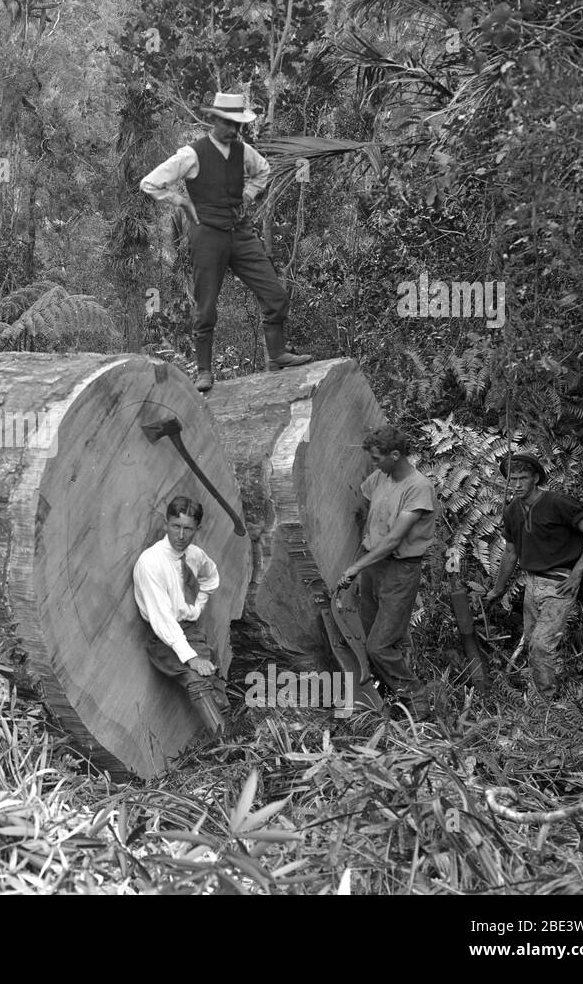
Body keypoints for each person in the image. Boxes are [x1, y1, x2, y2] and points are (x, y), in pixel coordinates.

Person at [140, 91, 313, 392]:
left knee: (274, 294)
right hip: (206, 233)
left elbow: (264, 171)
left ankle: (277, 355)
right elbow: (150, 183)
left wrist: (247, 195)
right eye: (229, 124)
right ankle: (204, 371)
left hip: (240, 231)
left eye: (238, 125)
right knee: (206, 306)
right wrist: (180, 200)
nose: (234, 130)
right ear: (213, 120)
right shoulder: (192, 154)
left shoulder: (243, 151)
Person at [476, 453, 583, 703]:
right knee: (534, 646)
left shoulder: (558, 503)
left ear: (535, 478)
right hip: (531, 583)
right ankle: (538, 700)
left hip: (559, 582)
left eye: (523, 478)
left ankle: (545, 704)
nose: (516, 484)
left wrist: (577, 573)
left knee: (541, 644)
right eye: (511, 479)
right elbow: (511, 551)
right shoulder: (512, 510)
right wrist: (497, 589)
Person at [336, 426, 435, 720]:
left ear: (396, 454)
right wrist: (362, 555)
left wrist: (355, 567)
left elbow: (393, 539)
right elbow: (370, 515)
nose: (374, 463)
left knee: (380, 645)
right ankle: (394, 699)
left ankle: (417, 698)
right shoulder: (381, 476)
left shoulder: (418, 487)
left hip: (400, 570)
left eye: (378, 458)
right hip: (374, 566)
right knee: (375, 638)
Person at [133, 496, 229, 735]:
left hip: (191, 630)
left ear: (198, 528)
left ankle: (235, 736)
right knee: (197, 680)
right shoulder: (151, 562)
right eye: (176, 526)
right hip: (164, 637)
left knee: (214, 679)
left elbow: (211, 578)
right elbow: (162, 618)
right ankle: (227, 745)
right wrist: (190, 658)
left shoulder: (194, 555)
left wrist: (198, 606)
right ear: (166, 524)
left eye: (188, 529)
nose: (181, 535)